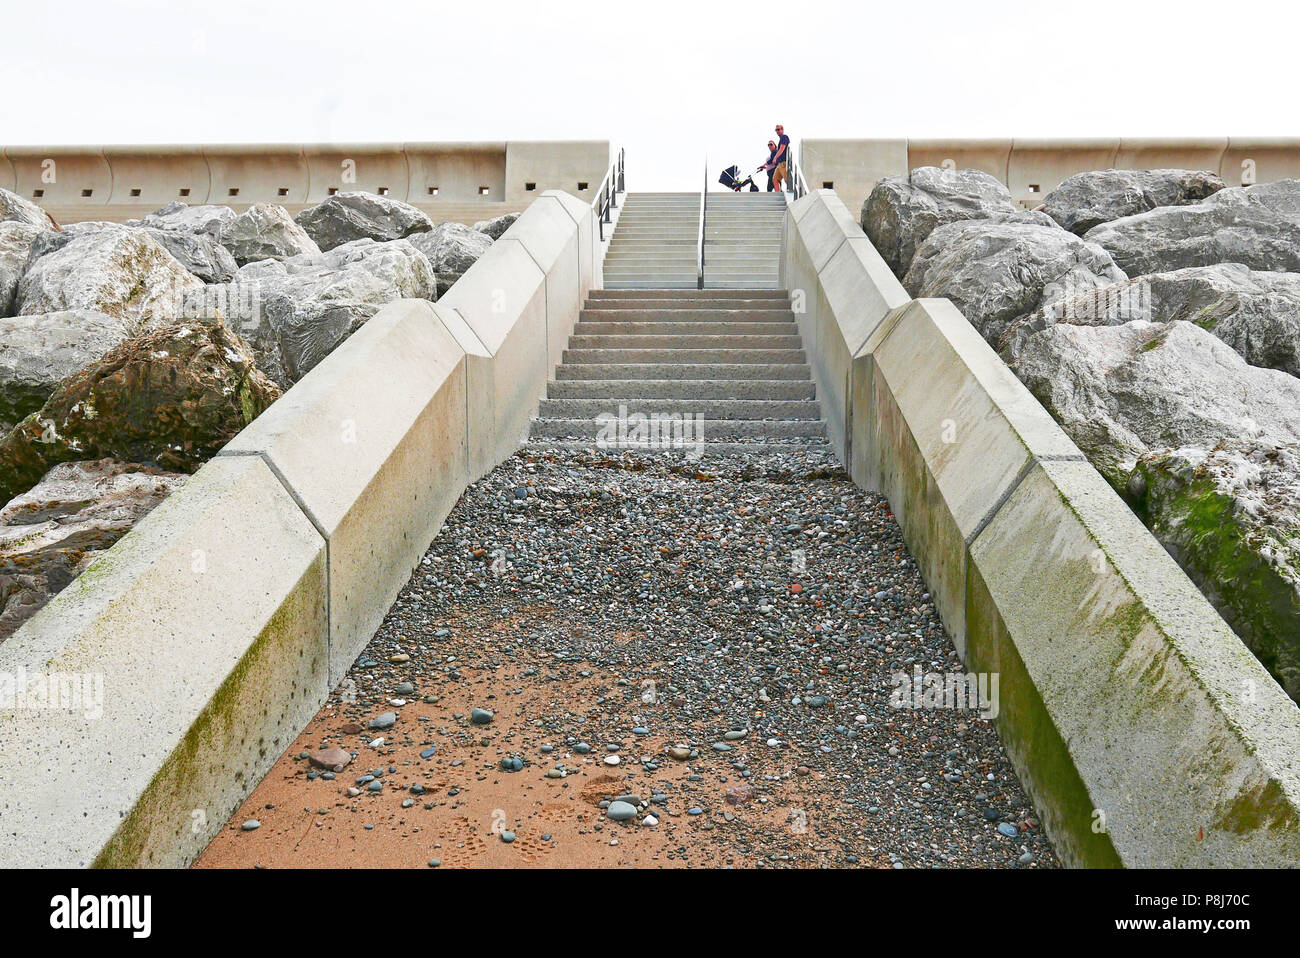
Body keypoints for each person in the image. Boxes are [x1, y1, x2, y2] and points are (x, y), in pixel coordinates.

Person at [770, 124, 790, 192]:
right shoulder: (781, 139)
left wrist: (775, 157)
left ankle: (791, 192)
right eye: (776, 130)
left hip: (783, 163)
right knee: (775, 179)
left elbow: (782, 148)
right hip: (779, 164)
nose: (777, 131)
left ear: (782, 129)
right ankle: (778, 193)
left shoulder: (784, 137)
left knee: (787, 180)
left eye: (778, 129)